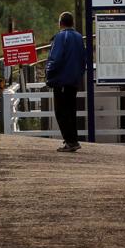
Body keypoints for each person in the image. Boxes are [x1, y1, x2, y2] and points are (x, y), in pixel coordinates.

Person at [46, 11, 85, 153]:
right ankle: (73, 140)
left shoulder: (61, 37)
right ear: (72, 23)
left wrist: (49, 74)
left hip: (61, 80)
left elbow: (55, 59)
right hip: (74, 80)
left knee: (61, 112)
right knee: (71, 110)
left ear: (60, 23)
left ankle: (70, 141)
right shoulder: (79, 37)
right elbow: (83, 59)